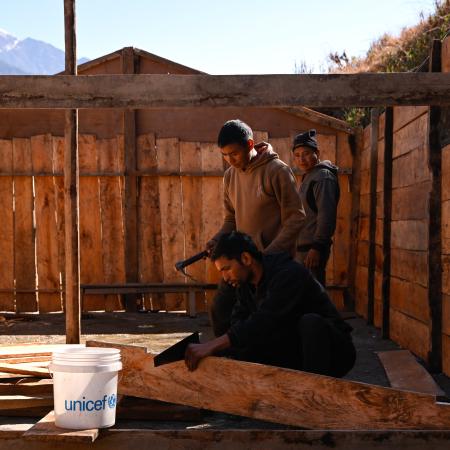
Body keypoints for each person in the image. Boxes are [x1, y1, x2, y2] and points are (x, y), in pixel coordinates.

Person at [185, 232, 356, 376]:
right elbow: (240, 324)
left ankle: (313, 397)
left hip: (335, 352)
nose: (225, 277)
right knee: (241, 344)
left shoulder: (288, 274)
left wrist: (212, 344)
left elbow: (266, 319)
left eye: (227, 269)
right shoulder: (245, 285)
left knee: (310, 323)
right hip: (294, 348)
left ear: (245, 258)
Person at [206, 119, 305, 337]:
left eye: (234, 154)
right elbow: (231, 219)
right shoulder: (230, 176)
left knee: (267, 327)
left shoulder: (277, 171)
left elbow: (296, 218)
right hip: (241, 265)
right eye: (224, 155)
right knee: (221, 312)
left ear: (250, 145)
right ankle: (228, 364)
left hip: (273, 267)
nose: (229, 160)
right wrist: (218, 239)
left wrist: (268, 256)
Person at [291, 129, 340, 286]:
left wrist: (317, 247)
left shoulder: (323, 177)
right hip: (303, 249)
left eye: (306, 153)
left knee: (312, 297)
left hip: (312, 250)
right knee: (304, 296)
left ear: (317, 153)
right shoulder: (310, 176)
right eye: (297, 155)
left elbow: (326, 216)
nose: (301, 159)